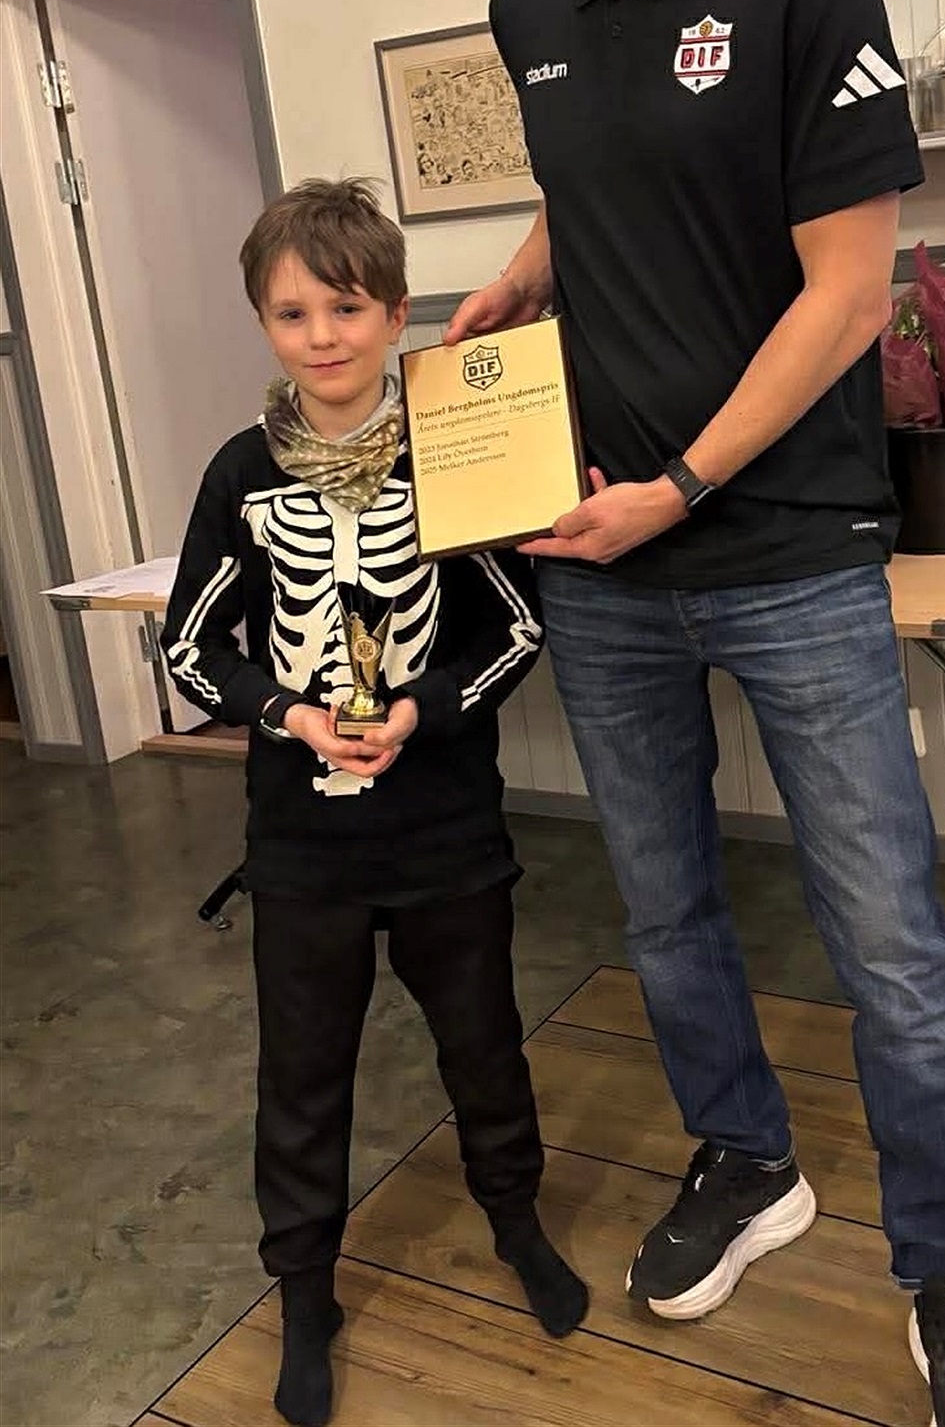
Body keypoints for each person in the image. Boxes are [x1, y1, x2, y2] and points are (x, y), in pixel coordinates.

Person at [445, 0, 945, 1423]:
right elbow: (596, 178)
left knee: (889, 940)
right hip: (599, 561)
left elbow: (851, 293)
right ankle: (750, 1161)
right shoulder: (528, 7)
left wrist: (682, 485)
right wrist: (520, 281)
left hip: (792, 549)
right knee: (664, 911)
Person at [161, 177, 588, 1427]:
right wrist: (287, 711)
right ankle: (305, 1290)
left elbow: (516, 627)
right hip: (304, 845)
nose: (323, 335)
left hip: (444, 826)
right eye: (293, 313)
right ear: (263, 323)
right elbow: (189, 647)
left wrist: (421, 710)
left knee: (484, 1041)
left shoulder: (454, 448)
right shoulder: (240, 473)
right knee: (301, 1073)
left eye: (347, 308)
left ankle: (516, 1219)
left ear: (396, 315)